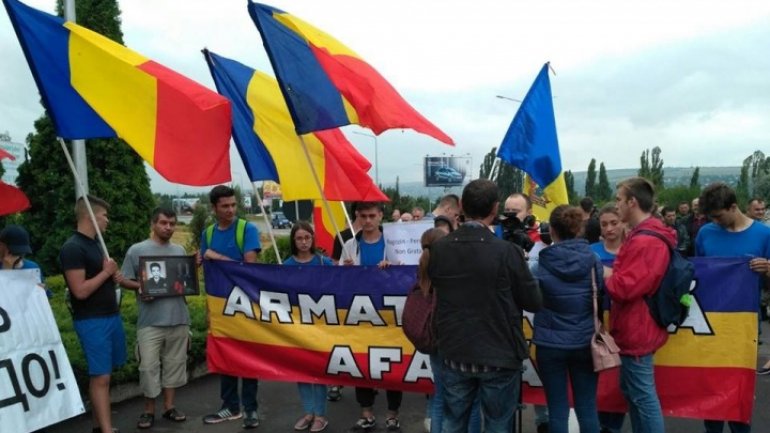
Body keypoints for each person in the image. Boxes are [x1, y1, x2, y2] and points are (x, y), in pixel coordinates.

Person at [429, 179, 542, 433]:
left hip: (455, 352)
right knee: (498, 425)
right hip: (498, 355)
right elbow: (533, 301)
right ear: (495, 208)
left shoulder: (439, 249)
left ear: (460, 206)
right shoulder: (507, 252)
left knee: (453, 423)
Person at [696, 183, 770, 433]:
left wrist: (769, 269)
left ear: (733, 207)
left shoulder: (763, 234)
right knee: (712, 385)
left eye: (718, 216)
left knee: (740, 385)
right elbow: (698, 274)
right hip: (711, 322)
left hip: (745, 325)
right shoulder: (706, 233)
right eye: (711, 218)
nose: (715, 222)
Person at [604, 177, 673, 433]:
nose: (617, 205)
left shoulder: (646, 241)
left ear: (632, 202)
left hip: (637, 328)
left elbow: (626, 288)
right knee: (634, 394)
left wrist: (605, 274)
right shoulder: (645, 236)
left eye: (620, 200)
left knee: (643, 397)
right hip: (636, 326)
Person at [532, 205, 602, 433]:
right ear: (579, 228)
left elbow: (530, 297)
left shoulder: (539, 264)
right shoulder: (594, 260)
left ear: (551, 230)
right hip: (585, 341)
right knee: (587, 407)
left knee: (557, 409)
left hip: (550, 344)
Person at [60, 195, 125, 433]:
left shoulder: (96, 244)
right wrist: (106, 273)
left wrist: (113, 276)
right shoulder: (72, 248)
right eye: (104, 215)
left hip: (110, 316)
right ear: (90, 216)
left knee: (104, 374)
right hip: (92, 321)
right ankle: (107, 430)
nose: (108, 220)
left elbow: (100, 279)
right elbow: (80, 291)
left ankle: (100, 426)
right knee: (100, 377)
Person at [120, 208, 190, 429]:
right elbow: (123, 279)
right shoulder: (137, 250)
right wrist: (140, 287)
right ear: (153, 224)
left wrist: (191, 272)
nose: (168, 227)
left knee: (175, 365)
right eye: (163, 223)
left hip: (178, 318)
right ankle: (148, 410)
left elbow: (184, 281)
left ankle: (169, 407)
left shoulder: (179, 250)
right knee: (148, 367)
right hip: (150, 321)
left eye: (172, 223)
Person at [199, 185, 262, 429]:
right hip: (219, 305)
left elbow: (249, 268)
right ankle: (230, 406)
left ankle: (251, 409)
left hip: (244, 305)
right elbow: (208, 269)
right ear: (214, 208)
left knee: (247, 356)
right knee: (225, 355)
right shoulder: (208, 233)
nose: (231, 210)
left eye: (233, 205)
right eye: (225, 206)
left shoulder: (248, 229)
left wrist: (216, 257)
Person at [340, 202, 402, 432]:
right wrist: (343, 271)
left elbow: (407, 273)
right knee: (361, 364)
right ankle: (366, 413)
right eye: (363, 216)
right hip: (361, 317)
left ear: (380, 216)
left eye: (372, 216)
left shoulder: (393, 244)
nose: (367, 220)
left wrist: (393, 268)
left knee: (393, 366)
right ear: (357, 216)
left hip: (389, 318)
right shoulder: (349, 246)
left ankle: (392, 414)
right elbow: (338, 283)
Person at [285, 221, 333, 433]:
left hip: (321, 327)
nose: (304, 242)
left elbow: (343, 283)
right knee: (301, 370)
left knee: (319, 370)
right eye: (299, 238)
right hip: (296, 327)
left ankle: (320, 415)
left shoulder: (324, 263)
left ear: (313, 239)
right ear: (293, 241)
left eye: (307, 238)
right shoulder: (286, 265)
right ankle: (308, 412)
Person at [590, 204, 627, 433]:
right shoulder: (591, 251)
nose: (609, 228)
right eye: (604, 224)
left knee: (620, 381)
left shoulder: (632, 250)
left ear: (623, 223)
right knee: (602, 377)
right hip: (597, 326)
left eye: (614, 223)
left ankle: (613, 427)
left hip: (625, 324)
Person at [0, 224, 48, 296]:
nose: (18, 257)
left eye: (21, 252)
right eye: (13, 252)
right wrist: (7, 270)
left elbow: (44, 296)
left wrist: (43, 290)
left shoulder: (32, 267)